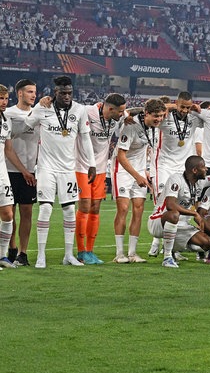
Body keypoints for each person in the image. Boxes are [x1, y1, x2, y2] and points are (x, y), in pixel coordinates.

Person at [25, 75, 96, 268]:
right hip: (46, 168)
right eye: (62, 93)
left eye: (69, 93)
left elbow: (85, 138)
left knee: (70, 210)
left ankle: (68, 255)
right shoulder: (43, 108)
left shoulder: (79, 110)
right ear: (54, 92)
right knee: (46, 208)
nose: (67, 96)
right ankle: (41, 255)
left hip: (68, 169)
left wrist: (91, 163)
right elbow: (27, 125)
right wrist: (36, 107)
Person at [147, 91, 203, 257]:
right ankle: (156, 241)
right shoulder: (165, 117)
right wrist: (170, 106)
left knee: (181, 204)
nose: (185, 110)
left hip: (182, 168)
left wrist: (198, 109)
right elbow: (145, 110)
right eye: (182, 107)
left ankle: (173, 247)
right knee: (162, 203)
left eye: (188, 107)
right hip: (164, 166)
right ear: (176, 104)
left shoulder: (194, 119)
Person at [75, 93, 127, 264]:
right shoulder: (86, 111)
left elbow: (134, 112)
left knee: (95, 208)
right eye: (120, 112)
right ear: (110, 109)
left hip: (101, 168)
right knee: (84, 205)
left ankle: (90, 250)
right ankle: (81, 251)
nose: (122, 115)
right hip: (82, 166)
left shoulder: (118, 116)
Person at [112, 98, 165, 263]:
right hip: (122, 170)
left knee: (139, 210)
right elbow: (121, 156)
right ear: (146, 113)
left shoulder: (152, 127)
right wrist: (137, 175)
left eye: (162, 116)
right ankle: (120, 253)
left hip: (140, 171)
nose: (159, 119)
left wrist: (146, 170)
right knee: (123, 208)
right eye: (156, 116)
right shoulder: (130, 126)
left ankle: (132, 253)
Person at [147, 155, 210, 268]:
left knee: (207, 243)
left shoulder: (201, 182)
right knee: (174, 214)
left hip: (181, 225)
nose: (206, 169)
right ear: (195, 170)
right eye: (203, 167)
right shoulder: (176, 179)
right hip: (158, 221)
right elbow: (170, 205)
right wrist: (194, 213)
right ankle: (167, 257)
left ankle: (173, 246)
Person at [0, 85, 36, 268]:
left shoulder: (8, 120)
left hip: (20, 171)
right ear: (20, 93)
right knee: (9, 213)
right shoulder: (10, 114)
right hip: (10, 171)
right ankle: (10, 249)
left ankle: (15, 253)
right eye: (30, 91)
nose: (4, 102)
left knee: (18, 213)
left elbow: (9, 149)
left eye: (5, 98)